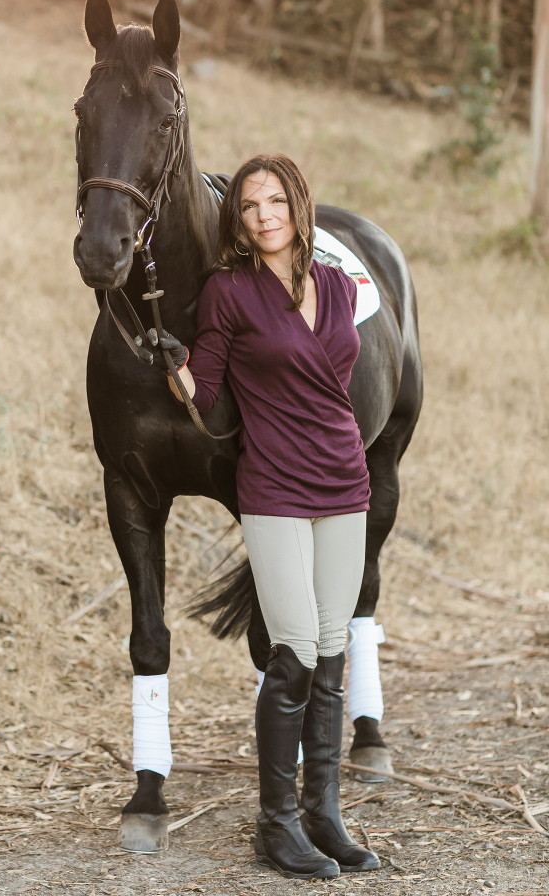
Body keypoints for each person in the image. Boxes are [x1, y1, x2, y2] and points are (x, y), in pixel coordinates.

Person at [151, 154, 379, 879]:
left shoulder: (341, 287)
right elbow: (207, 389)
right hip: (275, 487)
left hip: (345, 482)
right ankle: (275, 825)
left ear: (297, 204)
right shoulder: (228, 293)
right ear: (240, 224)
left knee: (333, 652)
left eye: (274, 201)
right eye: (249, 207)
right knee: (296, 653)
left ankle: (325, 816)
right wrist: (172, 363)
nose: (263, 215)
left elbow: (336, 382)